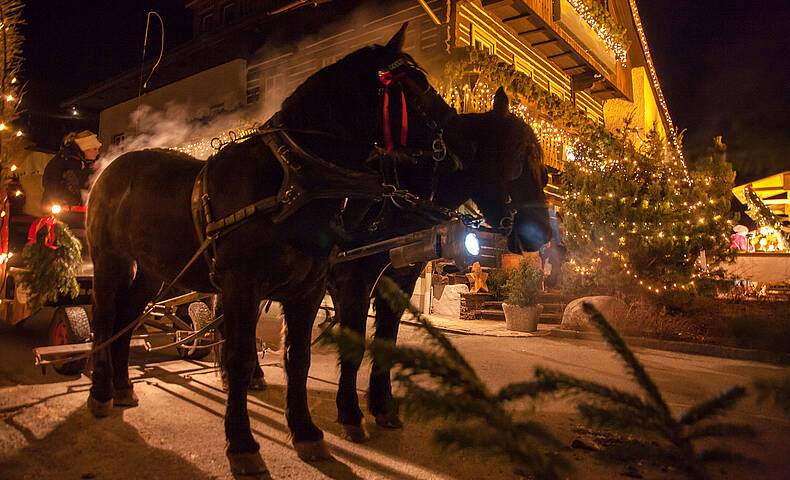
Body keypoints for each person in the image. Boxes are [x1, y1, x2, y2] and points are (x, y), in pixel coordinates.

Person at [42, 130, 101, 211]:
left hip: (80, 209)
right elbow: (50, 183)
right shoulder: (62, 160)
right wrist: (66, 200)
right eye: (95, 149)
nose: (97, 152)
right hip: (59, 208)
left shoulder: (89, 165)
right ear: (85, 148)